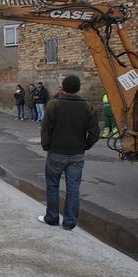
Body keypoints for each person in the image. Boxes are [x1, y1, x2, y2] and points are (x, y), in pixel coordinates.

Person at [38, 75, 100, 231]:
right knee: (73, 188)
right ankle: (70, 222)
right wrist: (84, 146)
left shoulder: (54, 105)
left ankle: (52, 218)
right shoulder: (87, 107)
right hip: (77, 154)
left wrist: (47, 146)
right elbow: (95, 133)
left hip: (56, 152)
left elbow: (45, 130)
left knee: (52, 186)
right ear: (78, 88)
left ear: (63, 88)